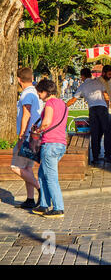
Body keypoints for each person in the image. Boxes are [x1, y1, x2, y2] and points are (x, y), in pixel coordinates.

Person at [32, 80, 68, 218]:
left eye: (40, 92)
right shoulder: (62, 104)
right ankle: (44, 204)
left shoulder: (50, 104)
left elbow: (46, 122)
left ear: (45, 92)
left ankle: (59, 208)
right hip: (60, 144)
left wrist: (38, 130)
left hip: (50, 144)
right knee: (42, 174)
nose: (39, 95)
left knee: (51, 177)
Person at [67, 68, 111, 165]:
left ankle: (95, 157)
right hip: (102, 108)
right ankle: (108, 155)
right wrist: (107, 106)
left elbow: (73, 100)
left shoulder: (82, 86)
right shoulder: (98, 82)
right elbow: (106, 95)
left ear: (82, 76)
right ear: (90, 75)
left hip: (93, 110)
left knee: (95, 134)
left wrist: (63, 106)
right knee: (106, 131)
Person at [12, 67, 42, 209]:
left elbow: (26, 114)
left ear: (19, 79)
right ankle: (30, 199)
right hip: (35, 135)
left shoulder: (25, 95)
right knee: (27, 168)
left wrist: (21, 135)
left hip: (27, 136)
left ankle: (39, 188)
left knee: (15, 167)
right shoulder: (35, 92)